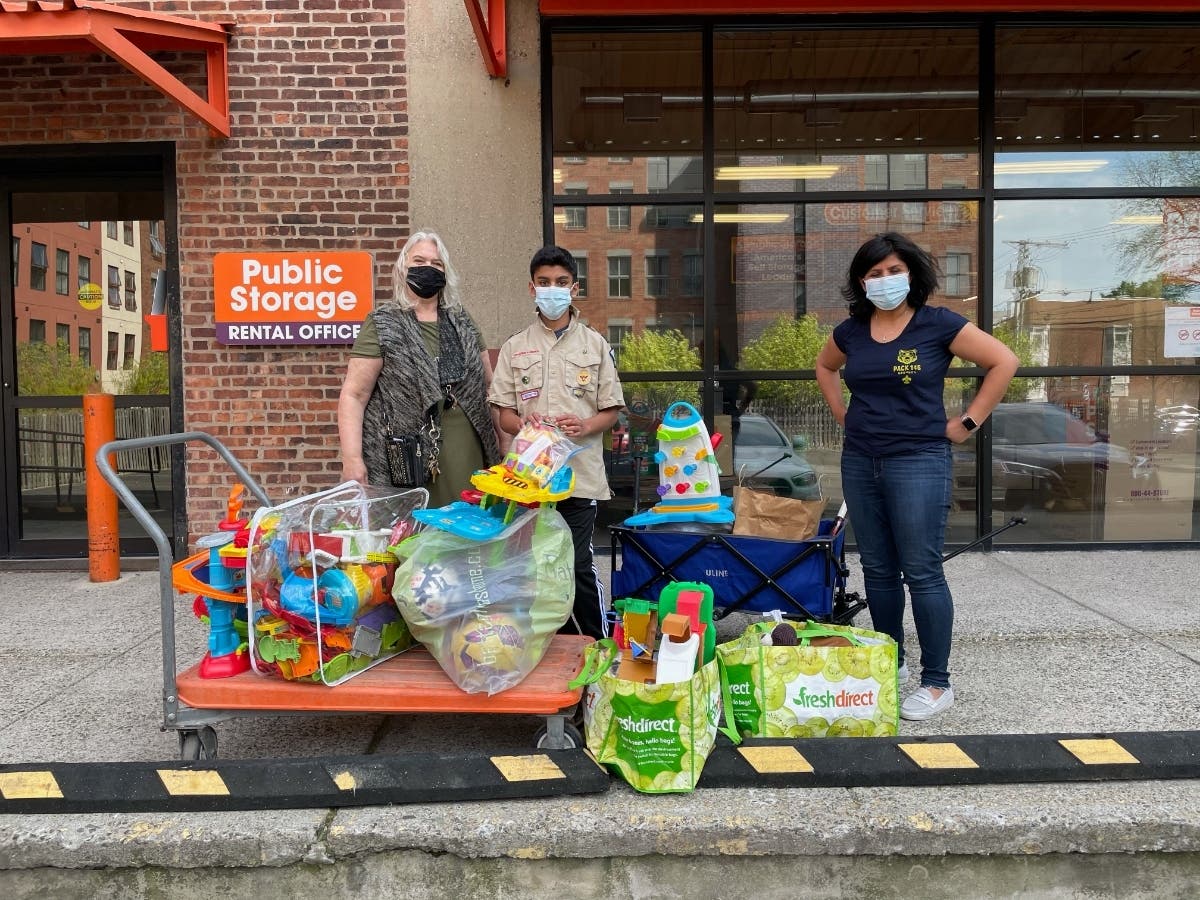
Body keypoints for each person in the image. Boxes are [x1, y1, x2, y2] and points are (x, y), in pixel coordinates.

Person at [815, 232, 1017, 722]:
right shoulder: (852, 331)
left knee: (922, 571)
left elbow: (1003, 361)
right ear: (861, 282)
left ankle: (936, 682)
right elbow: (824, 367)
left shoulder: (937, 324)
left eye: (892, 271)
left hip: (919, 460)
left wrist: (967, 423)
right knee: (879, 571)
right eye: (873, 274)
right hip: (861, 459)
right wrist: (843, 415)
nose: (883, 281)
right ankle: (893, 663)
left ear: (911, 274)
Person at [488, 246, 625, 640]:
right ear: (532, 289)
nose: (553, 290)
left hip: (578, 477)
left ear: (574, 288)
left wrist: (583, 426)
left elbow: (611, 411)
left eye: (561, 283)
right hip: (529, 482)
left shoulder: (595, 345)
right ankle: (552, 643)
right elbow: (504, 414)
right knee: (534, 565)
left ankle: (597, 644)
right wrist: (523, 423)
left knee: (577, 563)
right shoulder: (516, 346)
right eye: (544, 283)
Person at [338, 230, 501, 507]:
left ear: (446, 272)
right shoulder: (383, 322)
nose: (428, 269)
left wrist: (506, 447)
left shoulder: (462, 320)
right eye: (419, 261)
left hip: (467, 448)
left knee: (468, 533)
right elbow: (354, 395)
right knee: (415, 534)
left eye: (436, 264)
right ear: (403, 269)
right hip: (407, 457)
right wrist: (352, 459)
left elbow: (490, 386)